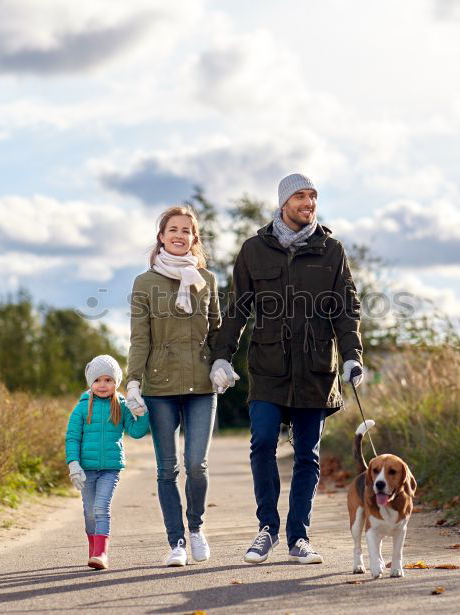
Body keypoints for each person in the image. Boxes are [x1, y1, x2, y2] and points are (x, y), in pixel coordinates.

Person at [210, 172, 364, 565]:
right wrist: (222, 355)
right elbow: (238, 308)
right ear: (283, 203)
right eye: (300, 196)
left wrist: (352, 356)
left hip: (315, 369)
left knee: (307, 455)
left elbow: (347, 310)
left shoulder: (332, 250)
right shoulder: (253, 250)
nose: (308, 202)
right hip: (268, 367)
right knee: (262, 442)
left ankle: (299, 536)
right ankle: (267, 529)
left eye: (313, 195)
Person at [125, 206, 221, 567]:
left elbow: (217, 332)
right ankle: (176, 541)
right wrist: (133, 380)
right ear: (162, 237)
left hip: (201, 383)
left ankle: (195, 528)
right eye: (173, 229)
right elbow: (139, 338)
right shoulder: (144, 283)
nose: (179, 235)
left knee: (196, 464)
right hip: (159, 386)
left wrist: (222, 362)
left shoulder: (207, 280)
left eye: (186, 230)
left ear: (194, 239)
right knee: (167, 469)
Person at [65, 354, 149, 570]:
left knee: (101, 507)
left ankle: (101, 553)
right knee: (89, 512)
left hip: (110, 469)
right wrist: (73, 464)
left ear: (116, 383)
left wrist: (142, 413)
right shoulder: (82, 407)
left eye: (108, 380)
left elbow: (136, 432)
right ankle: (94, 550)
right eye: (97, 380)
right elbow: (72, 437)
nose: (102, 385)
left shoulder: (121, 405)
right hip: (86, 469)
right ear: (90, 383)